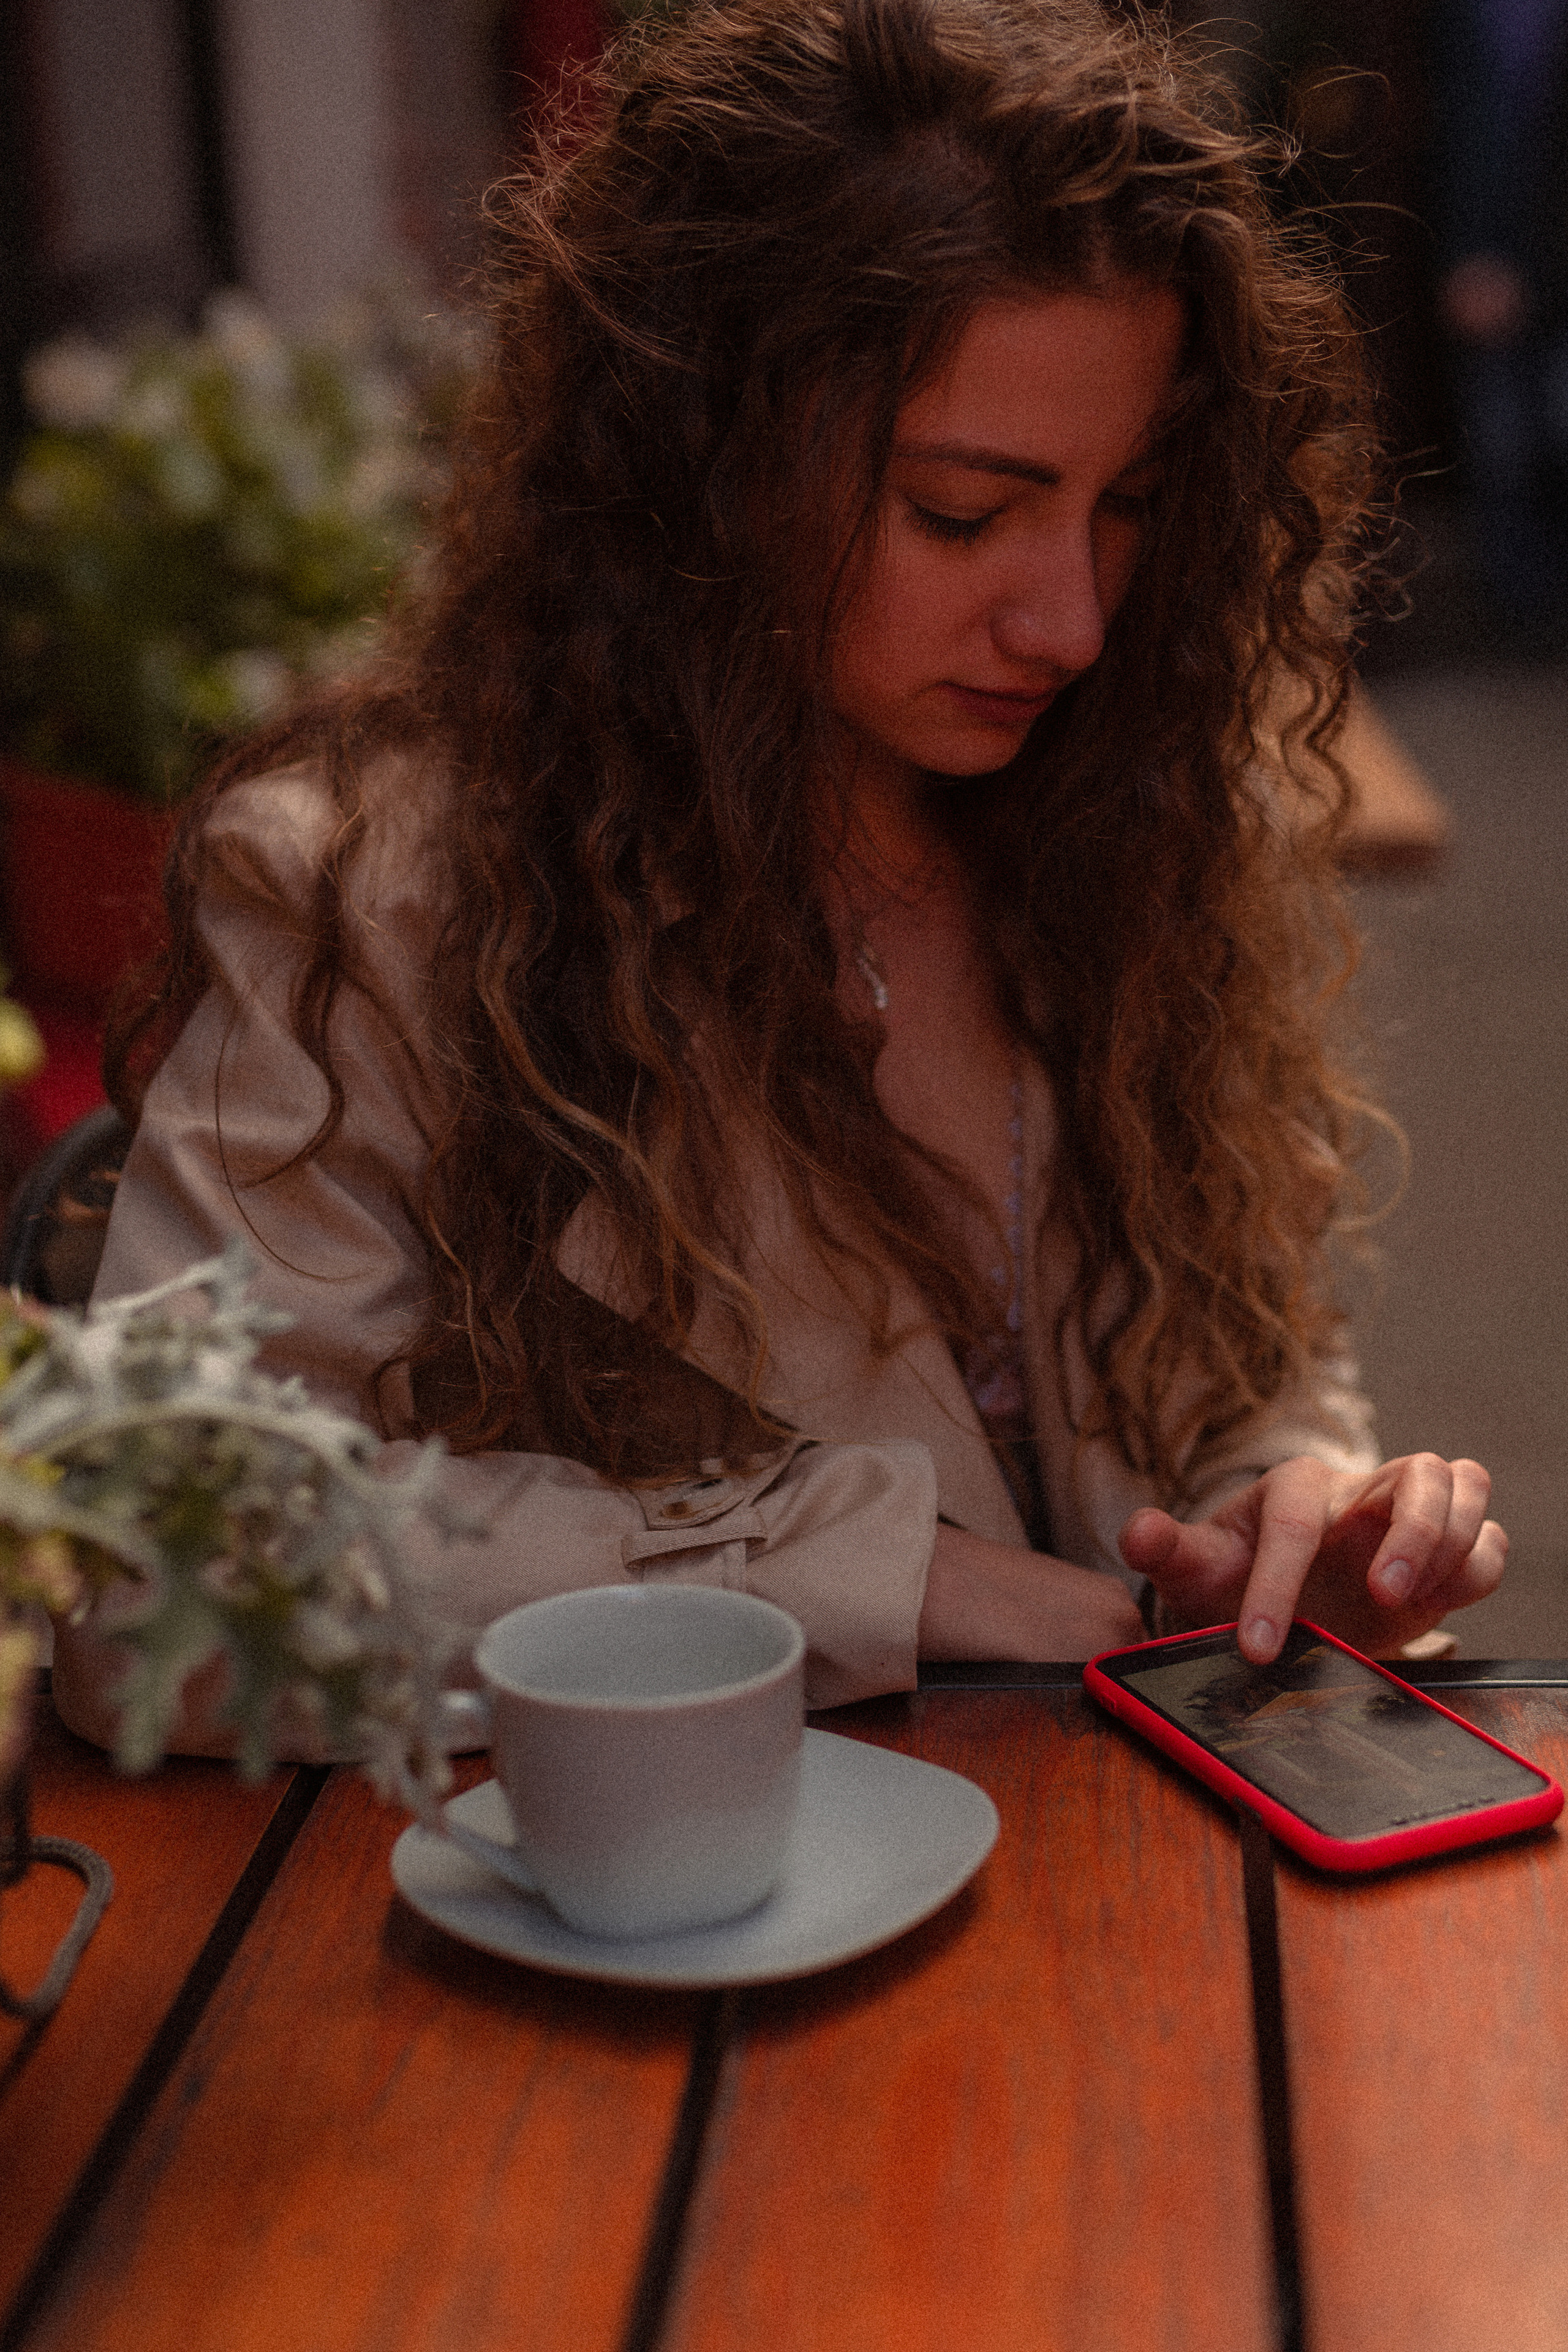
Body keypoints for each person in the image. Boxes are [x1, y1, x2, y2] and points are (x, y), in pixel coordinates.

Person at [54, 0, 1505, 1745]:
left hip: (1104, 1893)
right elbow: (165, 1584)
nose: (1074, 620)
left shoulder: (1122, 819)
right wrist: (884, 1575)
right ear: (708, 468)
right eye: (967, 513)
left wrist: (1298, 1518)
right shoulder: (379, 898)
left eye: (1129, 502)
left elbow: (1233, 1365)